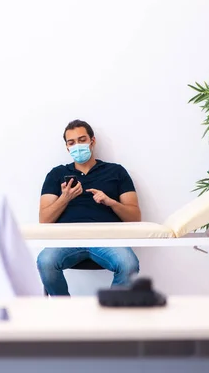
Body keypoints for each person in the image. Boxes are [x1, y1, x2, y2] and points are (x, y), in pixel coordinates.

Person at [37, 119, 141, 296]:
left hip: (107, 238)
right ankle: (65, 313)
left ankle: (110, 313)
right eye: (72, 142)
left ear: (92, 141)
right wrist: (65, 198)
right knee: (45, 262)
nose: (77, 145)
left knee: (129, 265)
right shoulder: (57, 174)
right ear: (67, 147)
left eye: (82, 140)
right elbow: (44, 220)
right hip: (67, 239)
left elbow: (135, 217)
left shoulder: (116, 172)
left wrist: (111, 202)